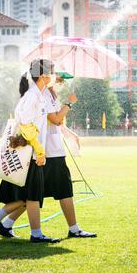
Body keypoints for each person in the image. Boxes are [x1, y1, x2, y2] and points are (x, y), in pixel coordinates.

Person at [0, 59, 60, 243]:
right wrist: (40, 151)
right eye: (51, 73)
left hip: (33, 154)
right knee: (32, 196)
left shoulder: (39, 95)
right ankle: (35, 234)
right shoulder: (32, 97)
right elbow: (26, 125)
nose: (53, 76)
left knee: (31, 196)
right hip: (30, 154)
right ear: (43, 76)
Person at [43, 74, 97, 238]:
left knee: (37, 192)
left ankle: (3, 219)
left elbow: (60, 123)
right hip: (48, 151)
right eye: (59, 80)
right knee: (54, 191)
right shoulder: (44, 95)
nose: (61, 83)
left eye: (62, 81)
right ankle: (1, 217)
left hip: (54, 150)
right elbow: (56, 119)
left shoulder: (52, 96)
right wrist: (70, 102)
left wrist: (71, 134)